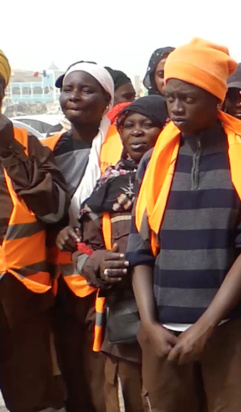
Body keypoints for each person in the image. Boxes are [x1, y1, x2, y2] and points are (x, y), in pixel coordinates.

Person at [127, 38, 241, 411]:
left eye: (187, 98)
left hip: (228, 331)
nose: (176, 108)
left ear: (214, 99)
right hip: (162, 336)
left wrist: (205, 327)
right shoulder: (154, 163)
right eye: (171, 98)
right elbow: (139, 249)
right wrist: (149, 324)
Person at [72, 95, 168, 412]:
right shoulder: (108, 184)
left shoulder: (177, 178)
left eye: (148, 124)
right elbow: (82, 247)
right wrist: (94, 263)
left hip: (175, 310)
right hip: (124, 316)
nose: (136, 132)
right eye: (128, 126)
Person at [45, 61, 120, 412]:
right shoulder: (48, 148)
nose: (74, 96)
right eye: (67, 89)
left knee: (102, 372)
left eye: (86, 90)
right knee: (69, 369)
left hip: (106, 275)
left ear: (107, 100)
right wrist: (57, 231)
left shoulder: (121, 147)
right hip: (58, 276)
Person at [0, 49, 68, 412]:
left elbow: (54, 209)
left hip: (21, 289)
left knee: (31, 392)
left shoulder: (26, 144)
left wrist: (9, 151)